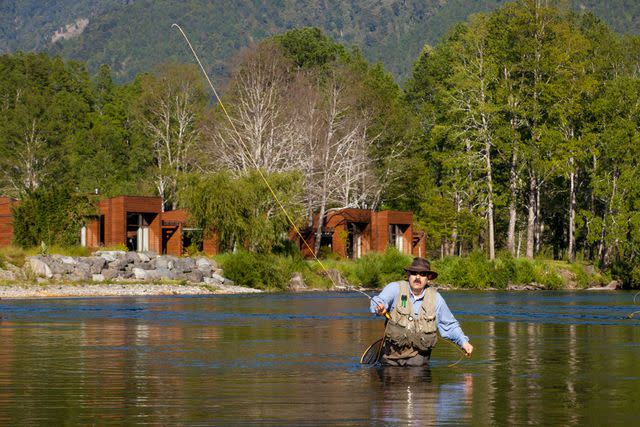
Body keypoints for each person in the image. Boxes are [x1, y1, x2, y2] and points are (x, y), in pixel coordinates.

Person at [370, 257, 473, 366]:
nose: (418, 277)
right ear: (408, 275)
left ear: (428, 278)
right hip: (390, 361)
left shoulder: (436, 299)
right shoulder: (395, 288)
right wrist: (379, 307)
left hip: (418, 366)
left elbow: (450, 325)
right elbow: (378, 300)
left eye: (423, 274)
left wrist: (464, 342)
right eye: (414, 273)